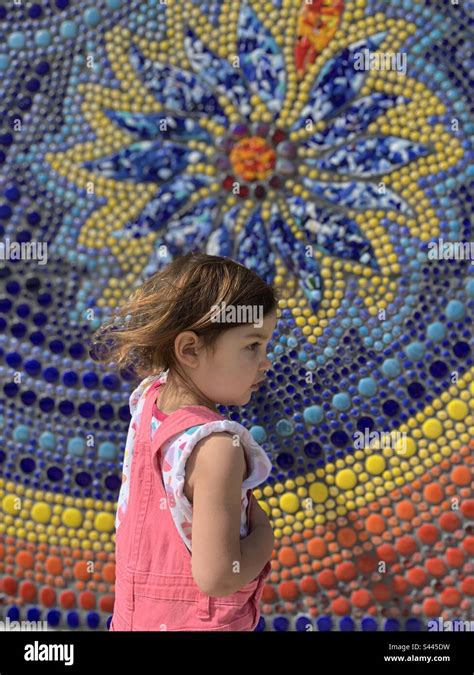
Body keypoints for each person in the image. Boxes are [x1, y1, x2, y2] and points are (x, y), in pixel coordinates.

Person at [90, 252, 279, 630]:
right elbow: (219, 576)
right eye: (252, 345)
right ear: (189, 349)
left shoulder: (149, 402)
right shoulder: (218, 449)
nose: (266, 361)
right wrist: (266, 537)